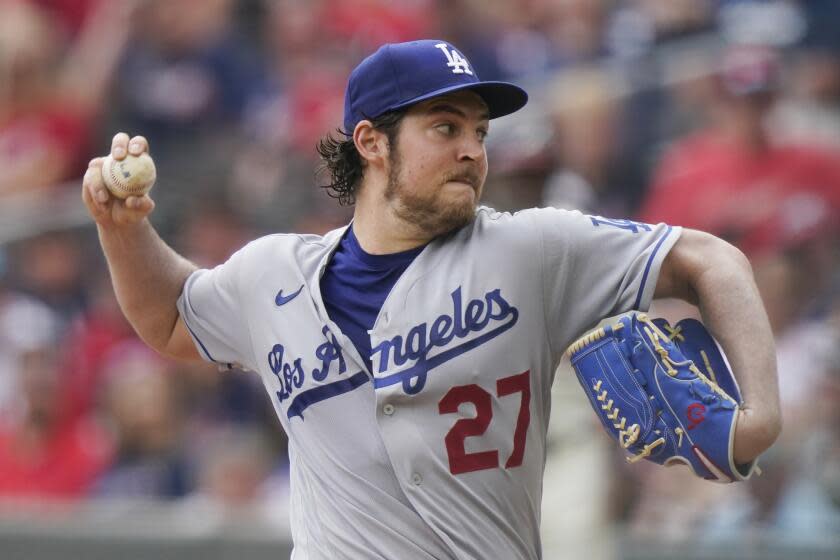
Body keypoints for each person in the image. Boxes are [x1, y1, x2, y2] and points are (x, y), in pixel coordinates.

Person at [82, 39, 781, 560]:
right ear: (371, 142)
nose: (473, 150)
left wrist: (760, 417)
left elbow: (709, 259)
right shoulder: (273, 273)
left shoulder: (530, 249)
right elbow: (170, 314)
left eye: (479, 132)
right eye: (445, 128)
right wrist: (124, 228)